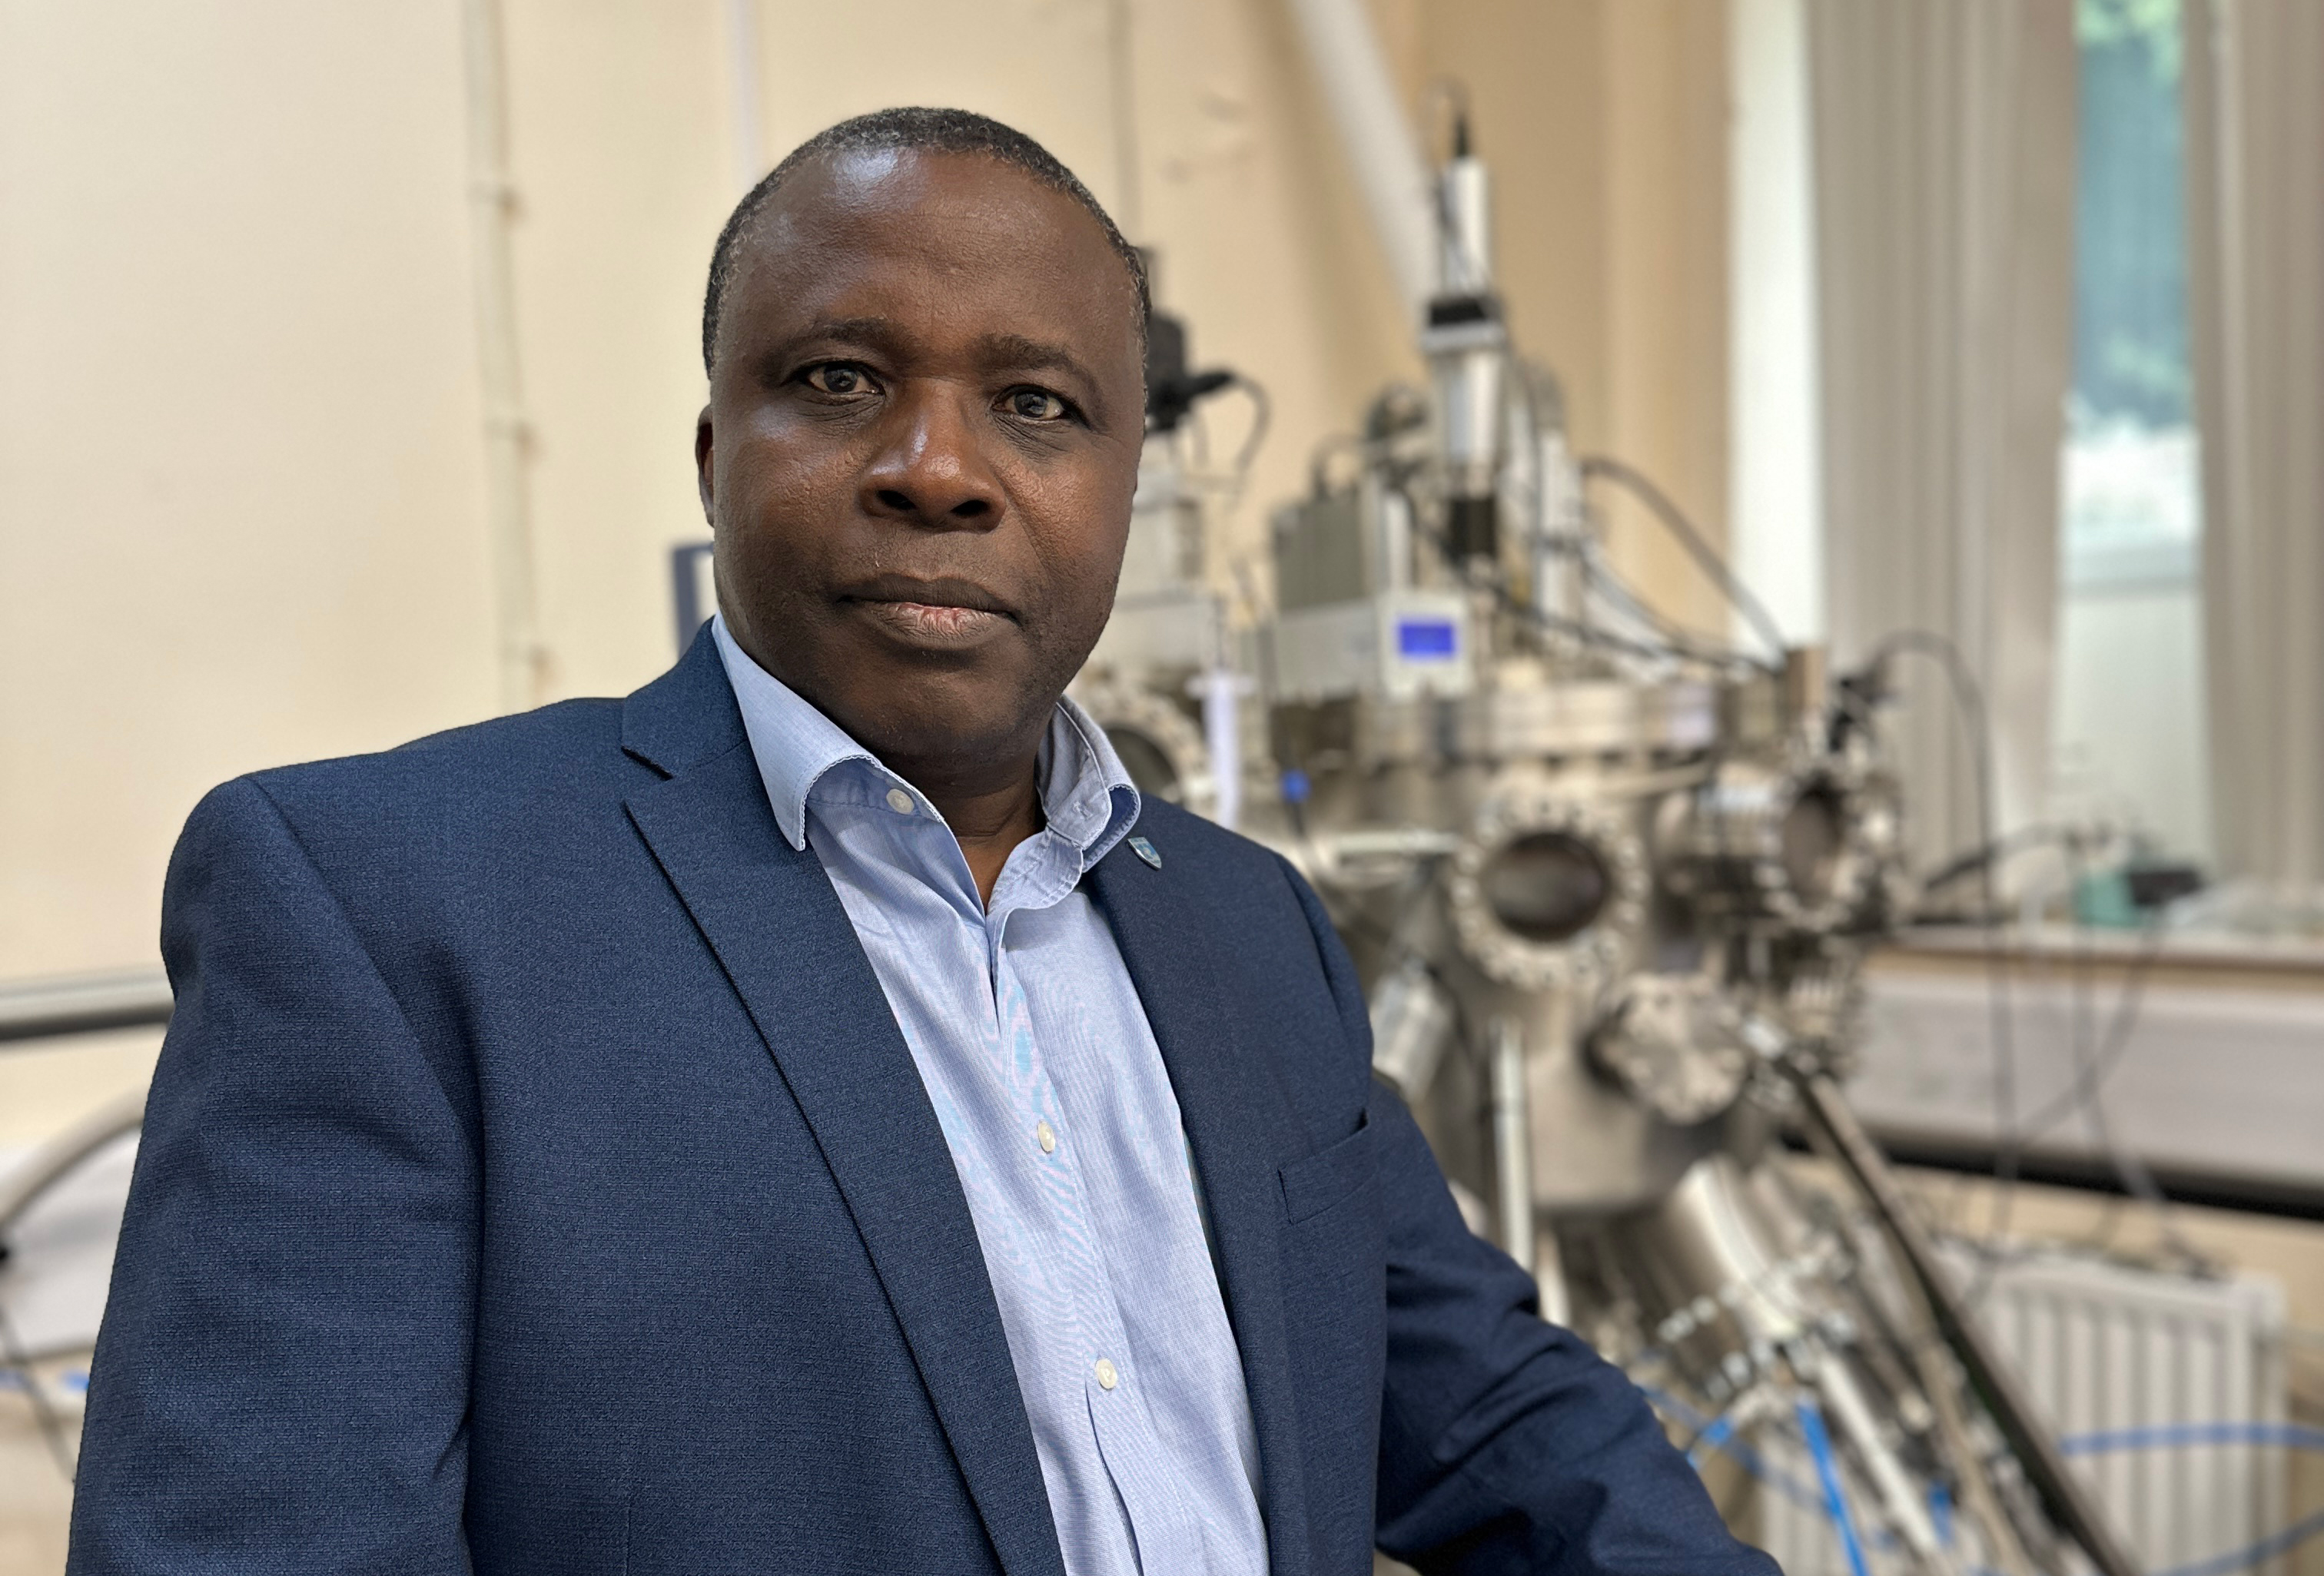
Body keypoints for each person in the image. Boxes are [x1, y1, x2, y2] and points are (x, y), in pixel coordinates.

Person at [68, 108, 1778, 1576]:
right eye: (839, 380)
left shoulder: (1250, 925)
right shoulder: (394, 907)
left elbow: (1492, 1415)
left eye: (1037, 406)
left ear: (1129, 487)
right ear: (716, 454)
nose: (939, 469)